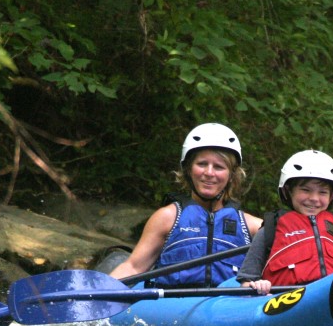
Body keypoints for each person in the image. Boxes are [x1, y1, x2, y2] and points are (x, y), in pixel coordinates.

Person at [108, 123, 263, 287]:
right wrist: (95, 299)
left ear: (231, 175)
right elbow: (133, 267)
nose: (209, 173)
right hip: (172, 306)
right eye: (202, 164)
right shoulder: (167, 217)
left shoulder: (253, 227)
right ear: (188, 169)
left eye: (219, 167)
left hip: (227, 306)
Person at [238, 149, 333, 295]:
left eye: (322, 192)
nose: (314, 198)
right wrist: (257, 286)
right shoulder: (271, 230)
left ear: (332, 196)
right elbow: (246, 281)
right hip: (285, 303)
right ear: (288, 191)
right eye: (306, 190)